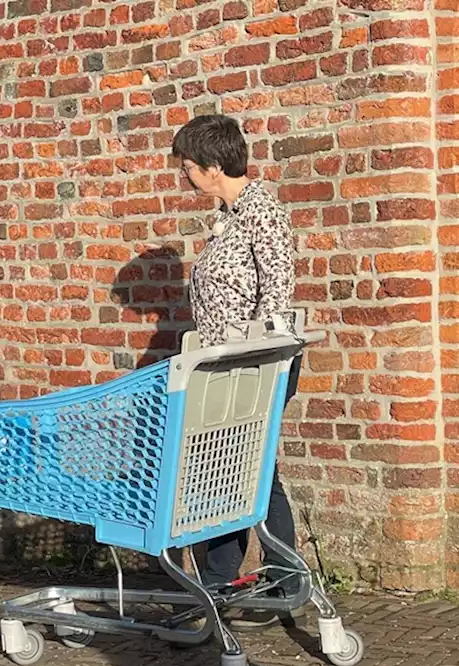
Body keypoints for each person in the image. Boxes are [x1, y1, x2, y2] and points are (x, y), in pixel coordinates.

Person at [171, 115, 301, 629]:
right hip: (227, 366)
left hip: (256, 367)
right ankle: (227, 582)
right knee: (238, 472)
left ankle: (268, 584)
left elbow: (277, 294)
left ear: (213, 165)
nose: (184, 176)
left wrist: (260, 363)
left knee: (250, 473)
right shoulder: (230, 215)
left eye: (187, 167)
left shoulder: (261, 212)